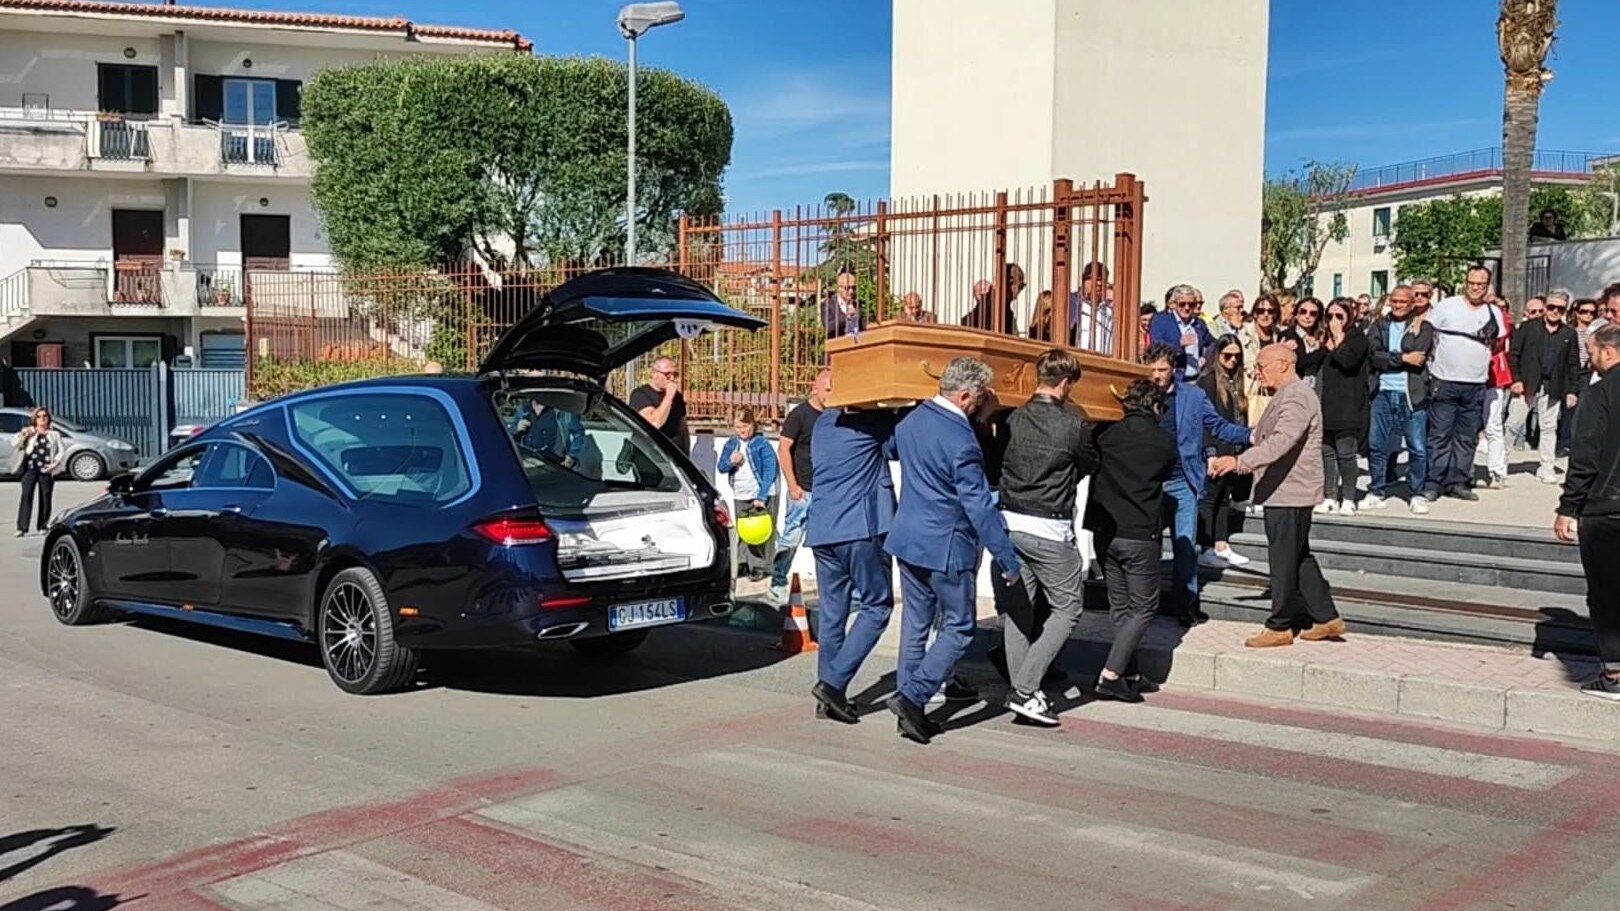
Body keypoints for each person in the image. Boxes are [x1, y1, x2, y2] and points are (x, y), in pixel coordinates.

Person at [884, 357, 1020, 745]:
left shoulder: (910, 421)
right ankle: (912, 697)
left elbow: (892, 451)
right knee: (959, 626)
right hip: (946, 546)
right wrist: (1006, 558)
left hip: (908, 538)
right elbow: (979, 505)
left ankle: (910, 710)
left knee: (915, 626)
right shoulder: (961, 439)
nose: (980, 405)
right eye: (978, 399)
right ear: (964, 396)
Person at [989, 349, 1098, 726]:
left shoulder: (1012, 418)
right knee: (1068, 609)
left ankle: (1024, 691)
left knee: (1019, 611)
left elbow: (996, 458)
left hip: (1007, 523)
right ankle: (1024, 687)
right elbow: (1088, 463)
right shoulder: (1075, 425)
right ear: (1066, 383)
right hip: (1050, 526)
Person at [1209, 344, 1343, 648]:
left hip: (1290, 491)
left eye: (1262, 365)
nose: (1258, 371)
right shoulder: (1287, 394)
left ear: (1283, 364)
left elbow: (1282, 440)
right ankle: (1326, 616)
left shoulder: (1296, 395)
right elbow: (1264, 433)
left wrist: (1240, 462)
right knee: (1298, 555)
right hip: (1286, 490)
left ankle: (1280, 625)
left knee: (1283, 558)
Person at [1144, 342, 1250, 627]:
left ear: (1174, 370)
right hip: (1150, 483)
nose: (1156, 375)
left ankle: (1186, 604)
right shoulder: (1139, 395)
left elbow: (1217, 426)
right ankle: (1145, 606)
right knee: (1148, 547)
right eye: (1151, 369)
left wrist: (1252, 435)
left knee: (1186, 546)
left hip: (1182, 480)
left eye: (1162, 370)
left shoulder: (1192, 395)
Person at [805, 405, 900, 724]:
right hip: (860, 530)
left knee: (833, 614)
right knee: (877, 606)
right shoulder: (871, 421)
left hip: (822, 529)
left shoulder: (823, 422)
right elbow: (899, 447)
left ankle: (829, 698)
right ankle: (832, 685)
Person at [1086, 378, 1176, 702]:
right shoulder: (1163, 441)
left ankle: (1129, 671)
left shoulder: (1104, 434)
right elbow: (1167, 473)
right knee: (1144, 607)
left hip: (1105, 531)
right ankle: (1111, 675)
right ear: (1154, 406)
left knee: (1121, 607)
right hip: (1139, 533)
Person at [1556, 324, 1620, 699]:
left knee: (1608, 592)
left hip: (1606, 508)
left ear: (1608, 353)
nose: (1589, 360)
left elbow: (1585, 456)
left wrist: (1569, 507)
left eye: (1592, 353)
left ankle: (1614, 673)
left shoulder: (1598, 394)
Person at [1423, 265, 1501, 502]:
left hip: (1476, 383)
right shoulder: (1447, 306)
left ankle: (1458, 481)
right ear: (1464, 283)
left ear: (1488, 286)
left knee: (1466, 437)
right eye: (1471, 283)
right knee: (1440, 435)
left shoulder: (1494, 312)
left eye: (1481, 284)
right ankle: (1434, 481)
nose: (1475, 288)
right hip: (1445, 381)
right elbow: (1428, 333)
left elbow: (1497, 344)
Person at [1364, 284, 1436, 514]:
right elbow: (1374, 356)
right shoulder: (1379, 325)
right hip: (1382, 393)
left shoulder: (1423, 327)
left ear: (1412, 303)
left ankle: (1417, 493)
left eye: (1403, 302)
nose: (1398, 305)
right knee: (1377, 445)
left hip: (1411, 394)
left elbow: (1420, 355)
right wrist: (1404, 357)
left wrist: (1392, 358)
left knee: (1417, 448)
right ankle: (1377, 490)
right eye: (1394, 301)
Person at [768, 369, 831, 604]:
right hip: (802, 491)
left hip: (826, 493)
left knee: (824, 544)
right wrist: (792, 486)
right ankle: (777, 581)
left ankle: (828, 590)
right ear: (815, 388)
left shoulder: (834, 415)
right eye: (827, 389)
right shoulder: (800, 415)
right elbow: (783, 449)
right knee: (790, 540)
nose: (831, 394)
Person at [1508, 289, 1581, 485]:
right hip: (1527, 384)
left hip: (1553, 387)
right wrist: (1516, 380)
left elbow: (1573, 364)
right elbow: (1513, 355)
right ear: (1545, 307)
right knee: (1513, 424)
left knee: (1549, 428)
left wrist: (1572, 390)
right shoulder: (1528, 328)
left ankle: (1546, 467)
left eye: (1560, 308)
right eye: (1551, 307)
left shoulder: (1569, 334)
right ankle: (1500, 463)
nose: (1555, 311)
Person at [1197, 334, 1252, 566]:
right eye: (1227, 356)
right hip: (1215, 447)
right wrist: (1210, 453)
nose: (1232, 361)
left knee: (1223, 498)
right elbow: (1206, 422)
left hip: (1234, 447)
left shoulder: (1236, 381)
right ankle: (1205, 545)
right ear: (1217, 355)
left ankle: (1221, 544)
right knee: (1210, 499)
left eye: (1237, 357)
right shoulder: (1208, 382)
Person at [1317, 298, 1371, 515]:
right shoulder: (1323, 339)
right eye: (1330, 316)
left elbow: (1348, 361)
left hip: (1348, 405)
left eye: (1339, 316)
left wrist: (1339, 338)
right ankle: (1330, 495)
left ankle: (1348, 497)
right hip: (1326, 403)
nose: (1333, 321)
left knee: (1346, 453)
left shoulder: (1357, 338)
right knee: (1327, 453)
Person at [716, 406, 779, 580]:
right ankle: (743, 562)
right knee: (744, 529)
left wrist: (762, 496)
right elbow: (721, 467)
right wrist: (731, 461)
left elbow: (769, 470)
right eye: (738, 427)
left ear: (753, 424)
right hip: (740, 493)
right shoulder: (731, 444)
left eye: (745, 426)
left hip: (757, 492)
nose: (742, 431)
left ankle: (758, 564)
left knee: (758, 531)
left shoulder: (762, 444)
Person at [12, 407, 62, 536]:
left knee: (45, 497)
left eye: (44, 416)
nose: (42, 418)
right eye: (39, 416)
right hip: (30, 468)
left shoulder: (54, 434)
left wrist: (55, 463)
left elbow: (61, 451)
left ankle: (43, 525)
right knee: (26, 495)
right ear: (34, 419)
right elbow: (15, 443)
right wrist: (24, 435)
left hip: (46, 468)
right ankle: (22, 527)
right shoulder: (30, 431)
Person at [1149, 284, 1215, 381]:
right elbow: (1155, 348)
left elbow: (1213, 343)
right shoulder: (1161, 322)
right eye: (1182, 304)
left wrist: (1205, 357)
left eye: (1191, 304)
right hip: (1174, 379)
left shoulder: (1198, 324)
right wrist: (1179, 345)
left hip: (1197, 379)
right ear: (1174, 304)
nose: (1187, 308)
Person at [629, 356, 689, 454]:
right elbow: (654, 423)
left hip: (674, 454)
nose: (672, 378)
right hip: (651, 455)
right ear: (654, 373)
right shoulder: (640, 395)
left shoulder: (677, 396)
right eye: (667, 374)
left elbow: (682, 427)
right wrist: (668, 397)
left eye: (675, 374)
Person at [510, 395, 586, 467]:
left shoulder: (561, 410)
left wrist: (572, 456)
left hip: (555, 465)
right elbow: (509, 435)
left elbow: (579, 433)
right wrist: (516, 429)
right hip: (527, 464)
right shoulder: (523, 410)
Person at [962, 263, 1025, 335]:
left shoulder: (1002, 305)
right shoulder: (993, 305)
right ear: (1011, 282)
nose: (1020, 291)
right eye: (1021, 286)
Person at [822, 269, 862, 340]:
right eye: (847, 288)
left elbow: (863, 327)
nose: (851, 291)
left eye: (854, 288)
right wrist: (847, 316)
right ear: (839, 288)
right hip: (838, 346)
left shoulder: (856, 304)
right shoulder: (829, 304)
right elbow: (828, 328)